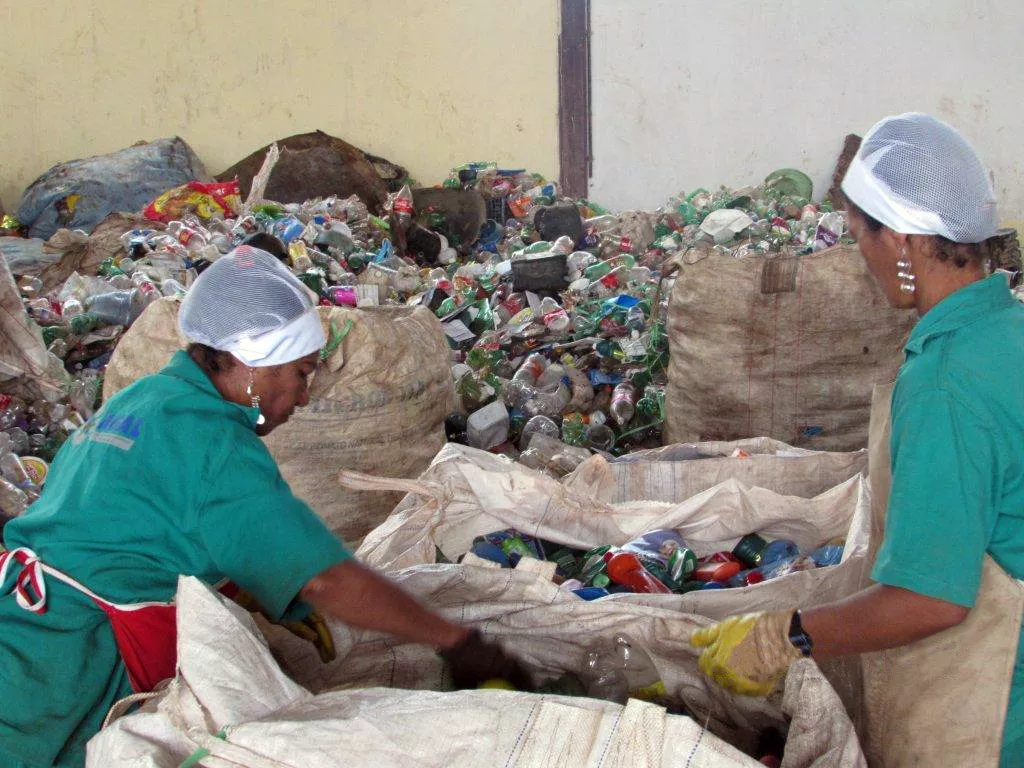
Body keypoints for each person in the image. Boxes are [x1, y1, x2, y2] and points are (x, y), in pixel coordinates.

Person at [0, 246, 527, 768]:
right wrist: (457, 642)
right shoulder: (215, 443)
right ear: (254, 363)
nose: (302, 396)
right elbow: (325, 580)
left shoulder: (141, 400)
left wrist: (250, 590)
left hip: (19, 629)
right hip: (63, 671)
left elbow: (144, 529)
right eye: (301, 372)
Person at [690, 113, 1024, 764]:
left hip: (993, 713)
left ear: (899, 241)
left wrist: (784, 635)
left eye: (859, 236)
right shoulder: (1008, 331)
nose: (860, 257)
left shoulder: (944, 384)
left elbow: (933, 597)